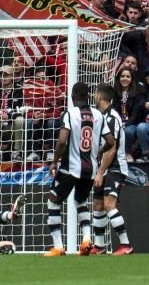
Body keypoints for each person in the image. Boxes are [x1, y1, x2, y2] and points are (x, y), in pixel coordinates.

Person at [44, 81, 115, 257]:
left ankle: (58, 247)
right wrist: (100, 151)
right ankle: (86, 240)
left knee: (53, 201)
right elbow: (112, 141)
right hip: (90, 170)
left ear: (73, 97)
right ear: (88, 96)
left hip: (70, 168)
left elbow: (62, 141)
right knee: (80, 202)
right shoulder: (98, 115)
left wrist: (54, 162)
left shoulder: (70, 114)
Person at [89, 84, 133, 255]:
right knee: (98, 205)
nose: (94, 95)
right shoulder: (102, 116)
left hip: (114, 167)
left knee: (108, 204)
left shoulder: (111, 117)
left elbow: (112, 148)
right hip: (104, 168)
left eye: (95, 93)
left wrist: (100, 172)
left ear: (100, 95)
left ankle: (126, 245)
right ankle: (99, 247)